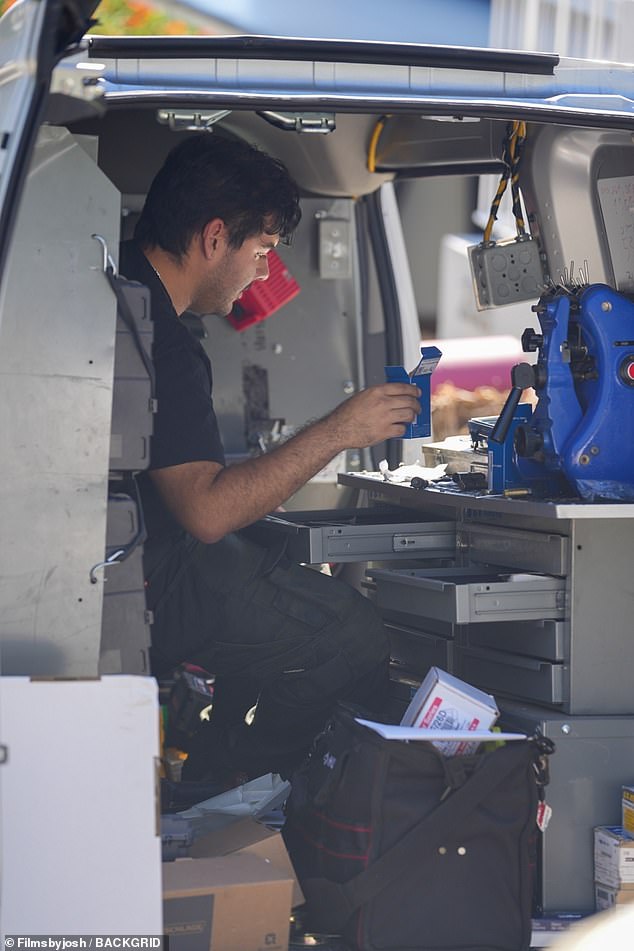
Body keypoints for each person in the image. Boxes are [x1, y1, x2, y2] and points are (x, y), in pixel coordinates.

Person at [119, 133, 422, 786]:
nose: (264, 272)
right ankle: (228, 800)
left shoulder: (125, 294)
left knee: (277, 556)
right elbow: (203, 510)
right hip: (150, 579)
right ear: (215, 237)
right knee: (351, 634)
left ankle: (212, 772)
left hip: (142, 556)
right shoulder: (162, 343)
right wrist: (342, 427)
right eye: (260, 251)